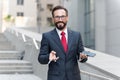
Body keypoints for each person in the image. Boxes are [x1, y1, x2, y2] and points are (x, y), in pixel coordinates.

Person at [38, 5, 88, 80]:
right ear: (53, 19)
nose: (60, 19)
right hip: (55, 77)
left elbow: (81, 55)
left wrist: (82, 57)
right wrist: (49, 57)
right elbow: (41, 58)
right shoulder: (47, 36)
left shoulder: (76, 35)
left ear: (67, 18)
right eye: (57, 17)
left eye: (62, 16)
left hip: (74, 77)